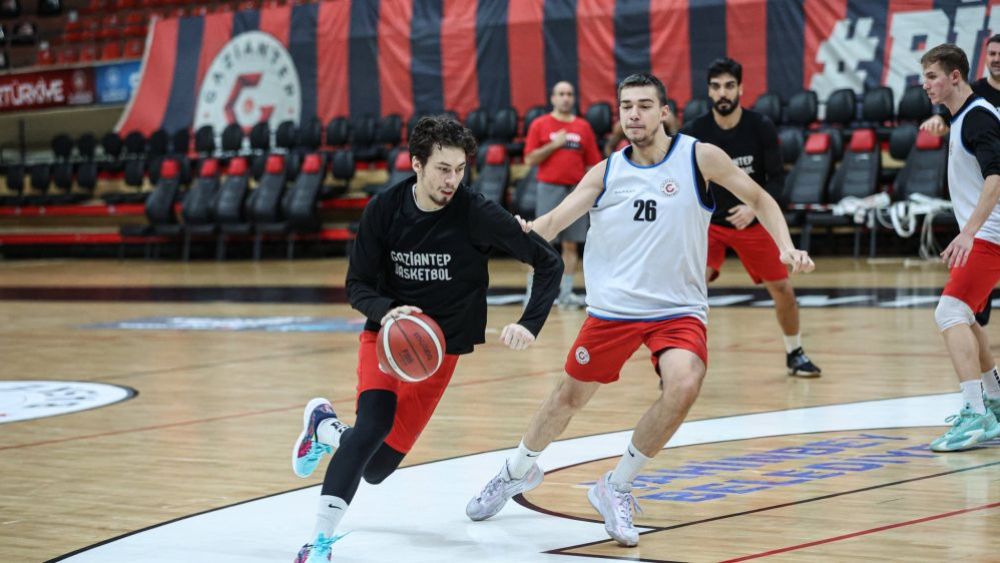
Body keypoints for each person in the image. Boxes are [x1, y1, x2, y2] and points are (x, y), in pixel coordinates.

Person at [465, 73, 814, 547]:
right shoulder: (606, 172)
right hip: (614, 311)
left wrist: (787, 247)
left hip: (678, 309)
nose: (634, 114)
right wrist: (514, 230)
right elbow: (551, 222)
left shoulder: (698, 156)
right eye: (626, 106)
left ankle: (616, 486)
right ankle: (515, 471)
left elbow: (759, 197)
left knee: (685, 382)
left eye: (645, 105)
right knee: (567, 400)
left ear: (664, 112)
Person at [290, 116, 563, 562]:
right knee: (372, 428)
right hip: (387, 338)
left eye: (459, 169)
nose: (452, 179)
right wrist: (384, 311)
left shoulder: (476, 212)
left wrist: (530, 324)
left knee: (376, 468)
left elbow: (549, 263)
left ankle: (324, 426)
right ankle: (317, 542)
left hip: (438, 355)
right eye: (442, 168)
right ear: (417, 164)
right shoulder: (384, 209)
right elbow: (357, 284)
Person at [681, 57, 821, 377]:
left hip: (752, 222)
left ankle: (794, 352)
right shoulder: (694, 132)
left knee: (783, 288)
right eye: (716, 87)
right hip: (710, 224)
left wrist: (752, 207)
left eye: (729, 86)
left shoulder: (760, 126)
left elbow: (777, 182)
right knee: (692, 287)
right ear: (709, 91)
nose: (723, 93)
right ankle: (683, 358)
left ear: (741, 88)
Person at [919, 44, 1000, 452]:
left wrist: (968, 232)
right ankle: (995, 402)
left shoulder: (977, 118)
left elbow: (996, 178)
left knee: (949, 311)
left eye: (933, 76)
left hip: (991, 234)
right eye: (924, 77)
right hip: (987, 232)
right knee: (965, 314)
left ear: (955, 76)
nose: (925, 85)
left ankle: (974, 413)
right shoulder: (964, 117)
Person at [524, 80, 602, 309]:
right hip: (549, 188)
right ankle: (532, 295)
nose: (566, 97)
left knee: (571, 245)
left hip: (576, 191)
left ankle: (566, 294)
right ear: (553, 98)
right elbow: (529, 159)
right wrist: (554, 145)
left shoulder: (583, 127)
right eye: (561, 94)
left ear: (573, 98)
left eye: (569, 93)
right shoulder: (540, 124)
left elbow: (593, 163)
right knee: (541, 242)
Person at [921, 34, 1000, 137]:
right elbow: (945, 118)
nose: (997, 59)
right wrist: (938, 120)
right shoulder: (971, 91)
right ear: (986, 58)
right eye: (992, 54)